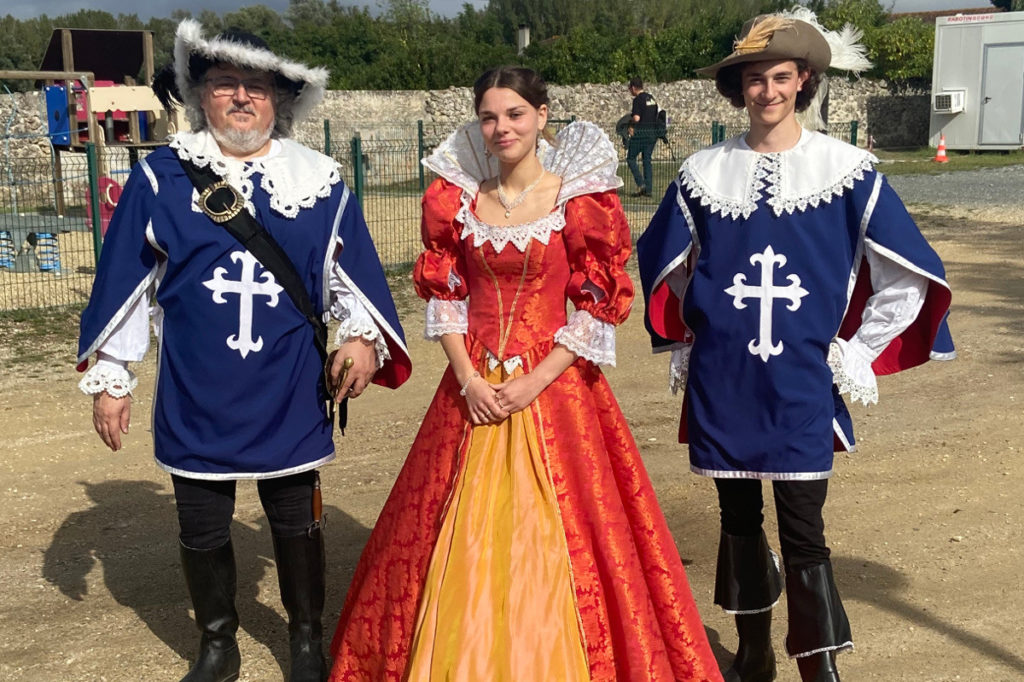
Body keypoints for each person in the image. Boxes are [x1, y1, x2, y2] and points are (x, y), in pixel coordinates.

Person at [329, 65, 722, 682]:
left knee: (570, 533)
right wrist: (468, 379)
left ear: (542, 117)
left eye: (514, 114)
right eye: (489, 116)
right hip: (473, 385)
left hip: (555, 385)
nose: (501, 127)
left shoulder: (579, 198)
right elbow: (447, 298)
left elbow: (598, 302)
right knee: (451, 531)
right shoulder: (457, 199)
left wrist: (536, 380)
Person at [76, 20, 411, 682]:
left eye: (254, 86)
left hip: (287, 382)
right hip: (196, 387)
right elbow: (126, 280)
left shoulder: (317, 179)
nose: (239, 97)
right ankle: (218, 643)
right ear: (200, 94)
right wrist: (114, 376)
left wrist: (363, 340)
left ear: (278, 101)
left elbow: (350, 276)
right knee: (201, 520)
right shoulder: (162, 177)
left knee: (295, 520)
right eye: (224, 83)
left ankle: (307, 640)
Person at [637, 13, 954, 682]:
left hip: (803, 377)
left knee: (804, 527)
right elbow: (666, 260)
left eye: (780, 76)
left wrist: (860, 349)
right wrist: (691, 333)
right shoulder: (704, 171)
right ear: (739, 88)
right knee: (739, 518)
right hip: (725, 377)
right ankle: (753, 652)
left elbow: (907, 270)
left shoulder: (843, 168)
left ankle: (818, 663)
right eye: (755, 78)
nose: (767, 90)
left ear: (803, 80)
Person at [626, 76, 660, 197]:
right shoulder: (651, 99)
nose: (630, 91)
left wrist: (630, 125)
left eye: (630, 88)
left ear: (634, 88)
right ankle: (649, 190)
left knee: (630, 158)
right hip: (653, 134)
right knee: (647, 160)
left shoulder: (638, 100)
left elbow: (636, 118)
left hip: (641, 134)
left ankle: (641, 184)